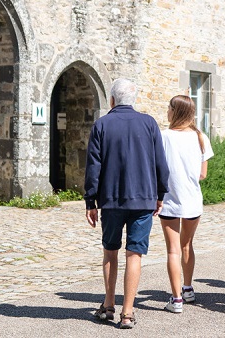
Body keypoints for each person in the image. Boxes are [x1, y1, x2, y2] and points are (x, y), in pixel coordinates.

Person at [84, 78, 169, 330]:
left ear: (111, 100)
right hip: (143, 198)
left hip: (110, 200)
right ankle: (128, 312)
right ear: (134, 100)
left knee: (110, 250)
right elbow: (160, 164)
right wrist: (161, 194)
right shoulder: (149, 123)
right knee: (135, 254)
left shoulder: (101, 125)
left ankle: (109, 304)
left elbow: (93, 167)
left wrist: (91, 200)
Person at [158, 95, 213, 313]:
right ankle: (188, 288)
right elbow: (203, 174)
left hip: (170, 199)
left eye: (169, 108)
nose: (167, 111)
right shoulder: (200, 137)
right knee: (187, 245)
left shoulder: (163, 137)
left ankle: (176, 299)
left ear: (175, 111)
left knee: (172, 250)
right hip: (192, 200)